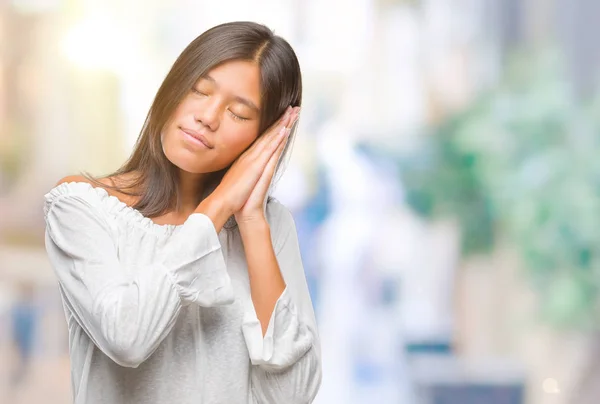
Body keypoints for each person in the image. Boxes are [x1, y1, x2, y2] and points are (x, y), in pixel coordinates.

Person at [43, 21, 321, 404]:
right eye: (199, 90)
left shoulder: (271, 228)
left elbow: (293, 395)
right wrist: (216, 208)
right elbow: (127, 336)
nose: (208, 116)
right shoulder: (81, 206)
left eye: (238, 113)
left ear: (265, 137)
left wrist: (252, 221)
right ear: (172, 88)